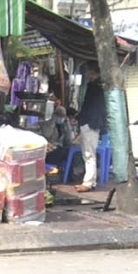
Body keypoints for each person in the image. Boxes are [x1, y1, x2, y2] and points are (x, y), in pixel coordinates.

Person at [75, 62, 107, 192]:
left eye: (88, 71)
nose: (87, 73)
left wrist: (83, 119)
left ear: (92, 71)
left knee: (89, 154)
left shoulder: (96, 87)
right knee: (88, 154)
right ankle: (90, 181)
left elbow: (91, 107)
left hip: (90, 123)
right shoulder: (97, 86)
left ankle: (88, 182)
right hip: (90, 122)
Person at [43, 104, 76, 171]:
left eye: (63, 116)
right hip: (48, 152)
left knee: (69, 151)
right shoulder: (47, 124)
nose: (62, 118)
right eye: (60, 116)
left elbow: (68, 141)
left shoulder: (63, 126)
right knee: (63, 152)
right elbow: (47, 134)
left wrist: (67, 123)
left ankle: (70, 173)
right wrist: (53, 120)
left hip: (59, 149)